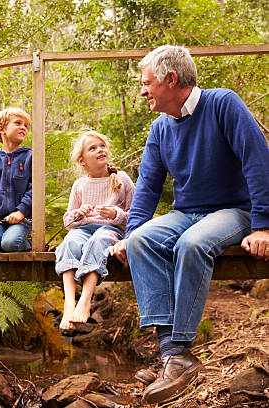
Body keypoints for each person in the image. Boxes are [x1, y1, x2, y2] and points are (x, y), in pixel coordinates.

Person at [109, 45, 269, 404]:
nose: (142, 90)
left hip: (233, 210)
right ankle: (172, 355)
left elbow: (258, 160)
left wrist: (263, 226)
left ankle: (178, 349)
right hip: (188, 212)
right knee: (140, 242)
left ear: (171, 79)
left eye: (147, 83)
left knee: (192, 244)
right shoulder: (161, 129)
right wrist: (130, 234)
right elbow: (148, 186)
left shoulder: (223, 104)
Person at [54, 130, 134, 330]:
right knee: (70, 242)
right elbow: (68, 222)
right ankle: (69, 301)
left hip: (110, 229)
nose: (100, 150)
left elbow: (134, 216)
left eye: (102, 146)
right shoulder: (80, 185)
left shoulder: (122, 179)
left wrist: (115, 214)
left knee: (97, 241)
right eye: (93, 148)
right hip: (82, 229)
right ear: (82, 161)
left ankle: (85, 301)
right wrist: (79, 213)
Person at [0, 107, 33, 252]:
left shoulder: (30, 157)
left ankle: (29, 245)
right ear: (1, 129)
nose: (23, 128)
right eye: (18, 123)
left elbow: (34, 188)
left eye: (26, 126)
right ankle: (3, 239)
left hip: (23, 219)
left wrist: (21, 211)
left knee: (10, 244)